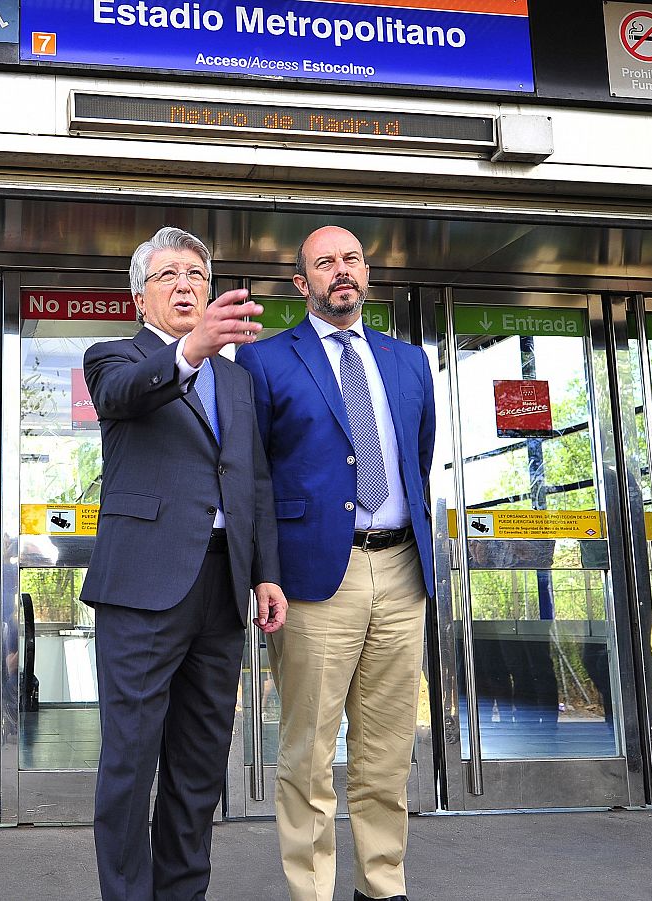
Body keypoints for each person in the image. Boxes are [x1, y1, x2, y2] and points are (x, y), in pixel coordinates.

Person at [82, 225, 286, 901]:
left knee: (198, 768)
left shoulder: (236, 379)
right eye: (168, 275)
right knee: (130, 763)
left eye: (196, 276)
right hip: (142, 590)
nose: (184, 285)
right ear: (141, 296)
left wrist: (265, 570)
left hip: (223, 587)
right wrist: (192, 350)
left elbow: (252, 480)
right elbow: (127, 394)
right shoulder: (112, 356)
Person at [236, 225, 436, 901]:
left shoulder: (408, 361)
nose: (340, 271)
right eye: (325, 263)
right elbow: (254, 478)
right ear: (303, 283)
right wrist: (264, 569)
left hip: (402, 570)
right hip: (316, 578)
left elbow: (419, 458)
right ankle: (312, 890)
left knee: (385, 754)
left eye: (351, 259)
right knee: (309, 755)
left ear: (367, 273)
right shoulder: (264, 362)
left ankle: (382, 886)